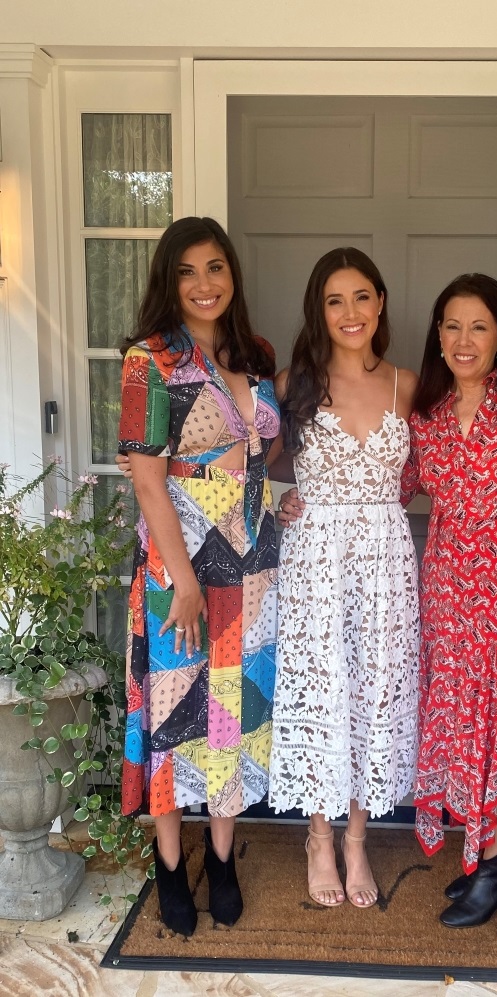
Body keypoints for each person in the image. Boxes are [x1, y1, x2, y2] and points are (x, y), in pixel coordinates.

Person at [117, 216, 281, 936]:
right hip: (179, 568)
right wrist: (181, 580)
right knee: (173, 714)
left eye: (215, 267)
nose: (205, 283)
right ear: (169, 280)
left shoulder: (257, 353)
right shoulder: (146, 361)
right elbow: (149, 481)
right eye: (188, 271)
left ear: (231, 275)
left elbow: (260, 459)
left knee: (231, 716)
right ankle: (169, 860)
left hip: (253, 569)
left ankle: (221, 857)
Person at [267, 248, 420, 909]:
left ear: (380, 302)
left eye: (361, 296)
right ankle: (317, 836)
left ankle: (357, 837)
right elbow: (254, 467)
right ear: (318, 311)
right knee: (324, 689)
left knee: (373, 690)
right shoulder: (288, 384)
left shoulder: (407, 385)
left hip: (385, 559)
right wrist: (279, 501)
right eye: (334, 300)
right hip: (314, 559)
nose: (350, 312)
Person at [400, 274, 497, 928]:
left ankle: (496, 861)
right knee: (458, 711)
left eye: (478, 327)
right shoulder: (424, 417)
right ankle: (482, 855)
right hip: (443, 585)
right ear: (437, 334)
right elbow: (388, 483)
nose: (463, 340)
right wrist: (292, 495)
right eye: (451, 325)